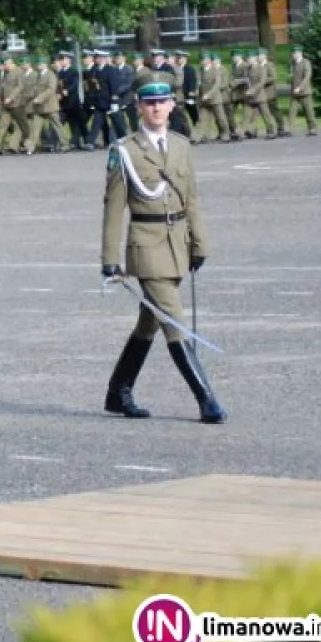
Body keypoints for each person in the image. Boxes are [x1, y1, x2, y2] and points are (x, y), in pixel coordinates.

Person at [100, 76, 226, 425]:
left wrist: (199, 242)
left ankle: (118, 391)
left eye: (163, 101)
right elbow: (113, 207)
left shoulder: (182, 145)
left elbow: (192, 198)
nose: (156, 107)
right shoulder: (124, 150)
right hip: (147, 244)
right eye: (149, 102)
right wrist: (109, 260)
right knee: (175, 322)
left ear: (172, 104)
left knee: (150, 322)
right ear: (139, 107)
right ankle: (207, 399)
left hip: (178, 242)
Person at [288, 45, 318, 136]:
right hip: (294, 93)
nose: (294, 54)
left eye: (296, 53)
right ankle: (290, 130)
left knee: (308, 111)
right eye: (293, 53)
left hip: (304, 92)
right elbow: (292, 76)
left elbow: (307, 76)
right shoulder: (292, 63)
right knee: (291, 112)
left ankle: (312, 129)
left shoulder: (306, 62)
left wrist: (300, 87)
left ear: (300, 53)